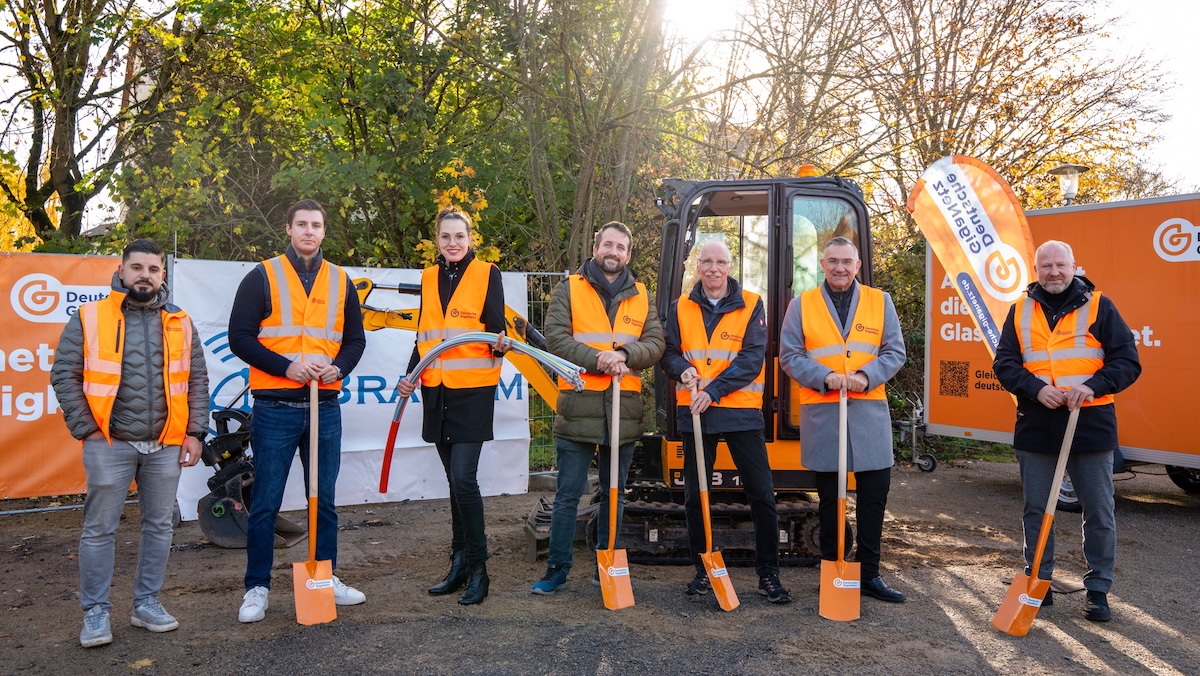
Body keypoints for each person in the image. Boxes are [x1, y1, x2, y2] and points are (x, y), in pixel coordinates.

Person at [50, 239, 210, 648]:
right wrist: (87, 429)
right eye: (137, 268)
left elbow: (195, 381)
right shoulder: (90, 316)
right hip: (110, 442)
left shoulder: (181, 321)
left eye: (153, 269)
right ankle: (96, 613)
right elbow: (65, 374)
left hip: (166, 444)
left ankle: (146, 604)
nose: (145, 275)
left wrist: (195, 432)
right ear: (121, 272)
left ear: (162, 275)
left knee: (159, 526)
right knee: (99, 529)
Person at [228, 199, 368, 623]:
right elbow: (240, 337)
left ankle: (325, 579)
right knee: (267, 502)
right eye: (302, 224)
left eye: (317, 225)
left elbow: (355, 341)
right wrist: (287, 366)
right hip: (275, 408)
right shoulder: (262, 276)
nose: (309, 231)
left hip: (324, 407)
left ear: (325, 232)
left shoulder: (341, 281)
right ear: (288, 229)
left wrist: (338, 367)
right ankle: (257, 588)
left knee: (322, 501)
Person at [993, 240, 1140, 622]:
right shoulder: (1020, 310)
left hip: (1089, 426)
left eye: (1060, 265)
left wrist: (1092, 386)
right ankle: (1038, 583)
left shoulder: (1099, 305)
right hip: (1037, 426)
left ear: (1075, 266)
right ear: (1036, 269)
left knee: (1099, 511)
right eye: (1046, 266)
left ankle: (1098, 591)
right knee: (1037, 510)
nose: (1053, 272)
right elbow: (1005, 364)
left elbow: (1127, 361)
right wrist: (1036, 389)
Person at [530, 221, 664, 594]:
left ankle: (607, 563)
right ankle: (557, 569)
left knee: (614, 493)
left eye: (621, 247)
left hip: (622, 409)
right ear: (596, 248)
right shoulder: (569, 289)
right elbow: (555, 338)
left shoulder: (641, 294)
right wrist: (598, 359)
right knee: (568, 494)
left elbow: (655, 343)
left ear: (628, 254)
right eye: (608, 245)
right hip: (578, 405)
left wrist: (623, 354)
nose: (613, 252)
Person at [660, 240, 791, 603]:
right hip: (696, 414)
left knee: (762, 495)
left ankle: (769, 574)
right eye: (706, 262)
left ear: (729, 266)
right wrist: (683, 370)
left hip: (741, 413)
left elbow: (752, 359)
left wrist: (713, 391)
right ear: (697, 267)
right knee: (695, 496)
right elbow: (668, 352)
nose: (713, 268)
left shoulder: (751, 304)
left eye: (720, 262)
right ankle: (704, 570)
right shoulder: (680, 307)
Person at [778, 236, 908, 603]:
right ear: (823, 264)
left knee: (873, 496)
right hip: (824, 411)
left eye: (846, 261)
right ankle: (833, 569)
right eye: (833, 261)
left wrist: (865, 377)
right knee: (830, 498)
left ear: (858, 265)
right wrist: (824, 377)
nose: (840, 267)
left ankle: (869, 574)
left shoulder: (879, 301)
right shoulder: (801, 305)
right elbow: (790, 355)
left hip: (868, 411)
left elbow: (895, 351)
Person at [395, 207, 510, 605]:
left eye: (459, 236)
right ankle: (458, 563)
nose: (453, 243)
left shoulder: (487, 273)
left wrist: (500, 343)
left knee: (464, 479)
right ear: (437, 241)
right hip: (436, 392)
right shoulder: (429, 277)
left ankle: (479, 569)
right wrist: (410, 374)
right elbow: (425, 336)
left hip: (473, 392)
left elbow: (499, 329)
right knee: (453, 483)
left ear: (470, 238)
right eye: (446, 237)